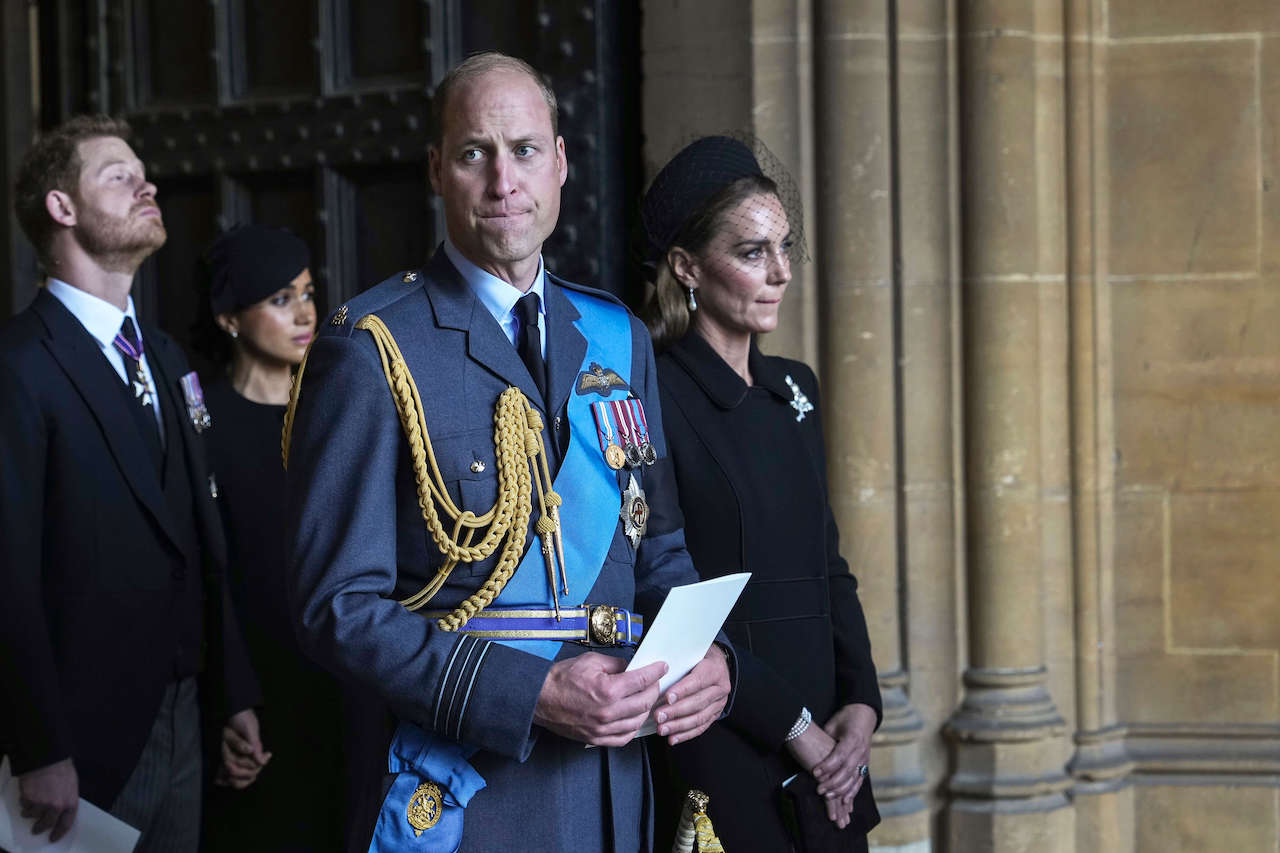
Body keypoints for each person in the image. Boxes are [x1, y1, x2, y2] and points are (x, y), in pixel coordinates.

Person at [283, 52, 733, 852]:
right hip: (468, 796)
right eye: (473, 154)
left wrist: (712, 660)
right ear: (435, 171)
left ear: (560, 163)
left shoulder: (617, 337)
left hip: (611, 786)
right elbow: (337, 606)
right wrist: (529, 693)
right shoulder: (374, 347)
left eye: (525, 150)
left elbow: (658, 548)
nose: (503, 180)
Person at [0, 114, 264, 851]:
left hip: (186, 714)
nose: (147, 183)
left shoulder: (168, 355)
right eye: (118, 175)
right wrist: (39, 744)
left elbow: (201, 538)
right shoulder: (19, 366)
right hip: (80, 739)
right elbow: (8, 571)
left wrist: (232, 691)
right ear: (62, 208)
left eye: (142, 172)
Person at [639, 135, 883, 852]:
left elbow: (829, 563)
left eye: (784, 246)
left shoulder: (794, 389)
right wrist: (792, 726)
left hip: (829, 746)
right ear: (687, 267)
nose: (780, 272)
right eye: (752, 253)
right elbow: (660, 592)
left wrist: (862, 703)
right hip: (724, 734)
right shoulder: (650, 392)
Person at [193, 224, 346, 851]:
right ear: (230, 318)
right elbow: (208, 572)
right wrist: (232, 700)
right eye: (281, 299)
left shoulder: (336, 407)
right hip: (250, 688)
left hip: (340, 681)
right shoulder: (201, 422)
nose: (306, 313)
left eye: (308, 293)